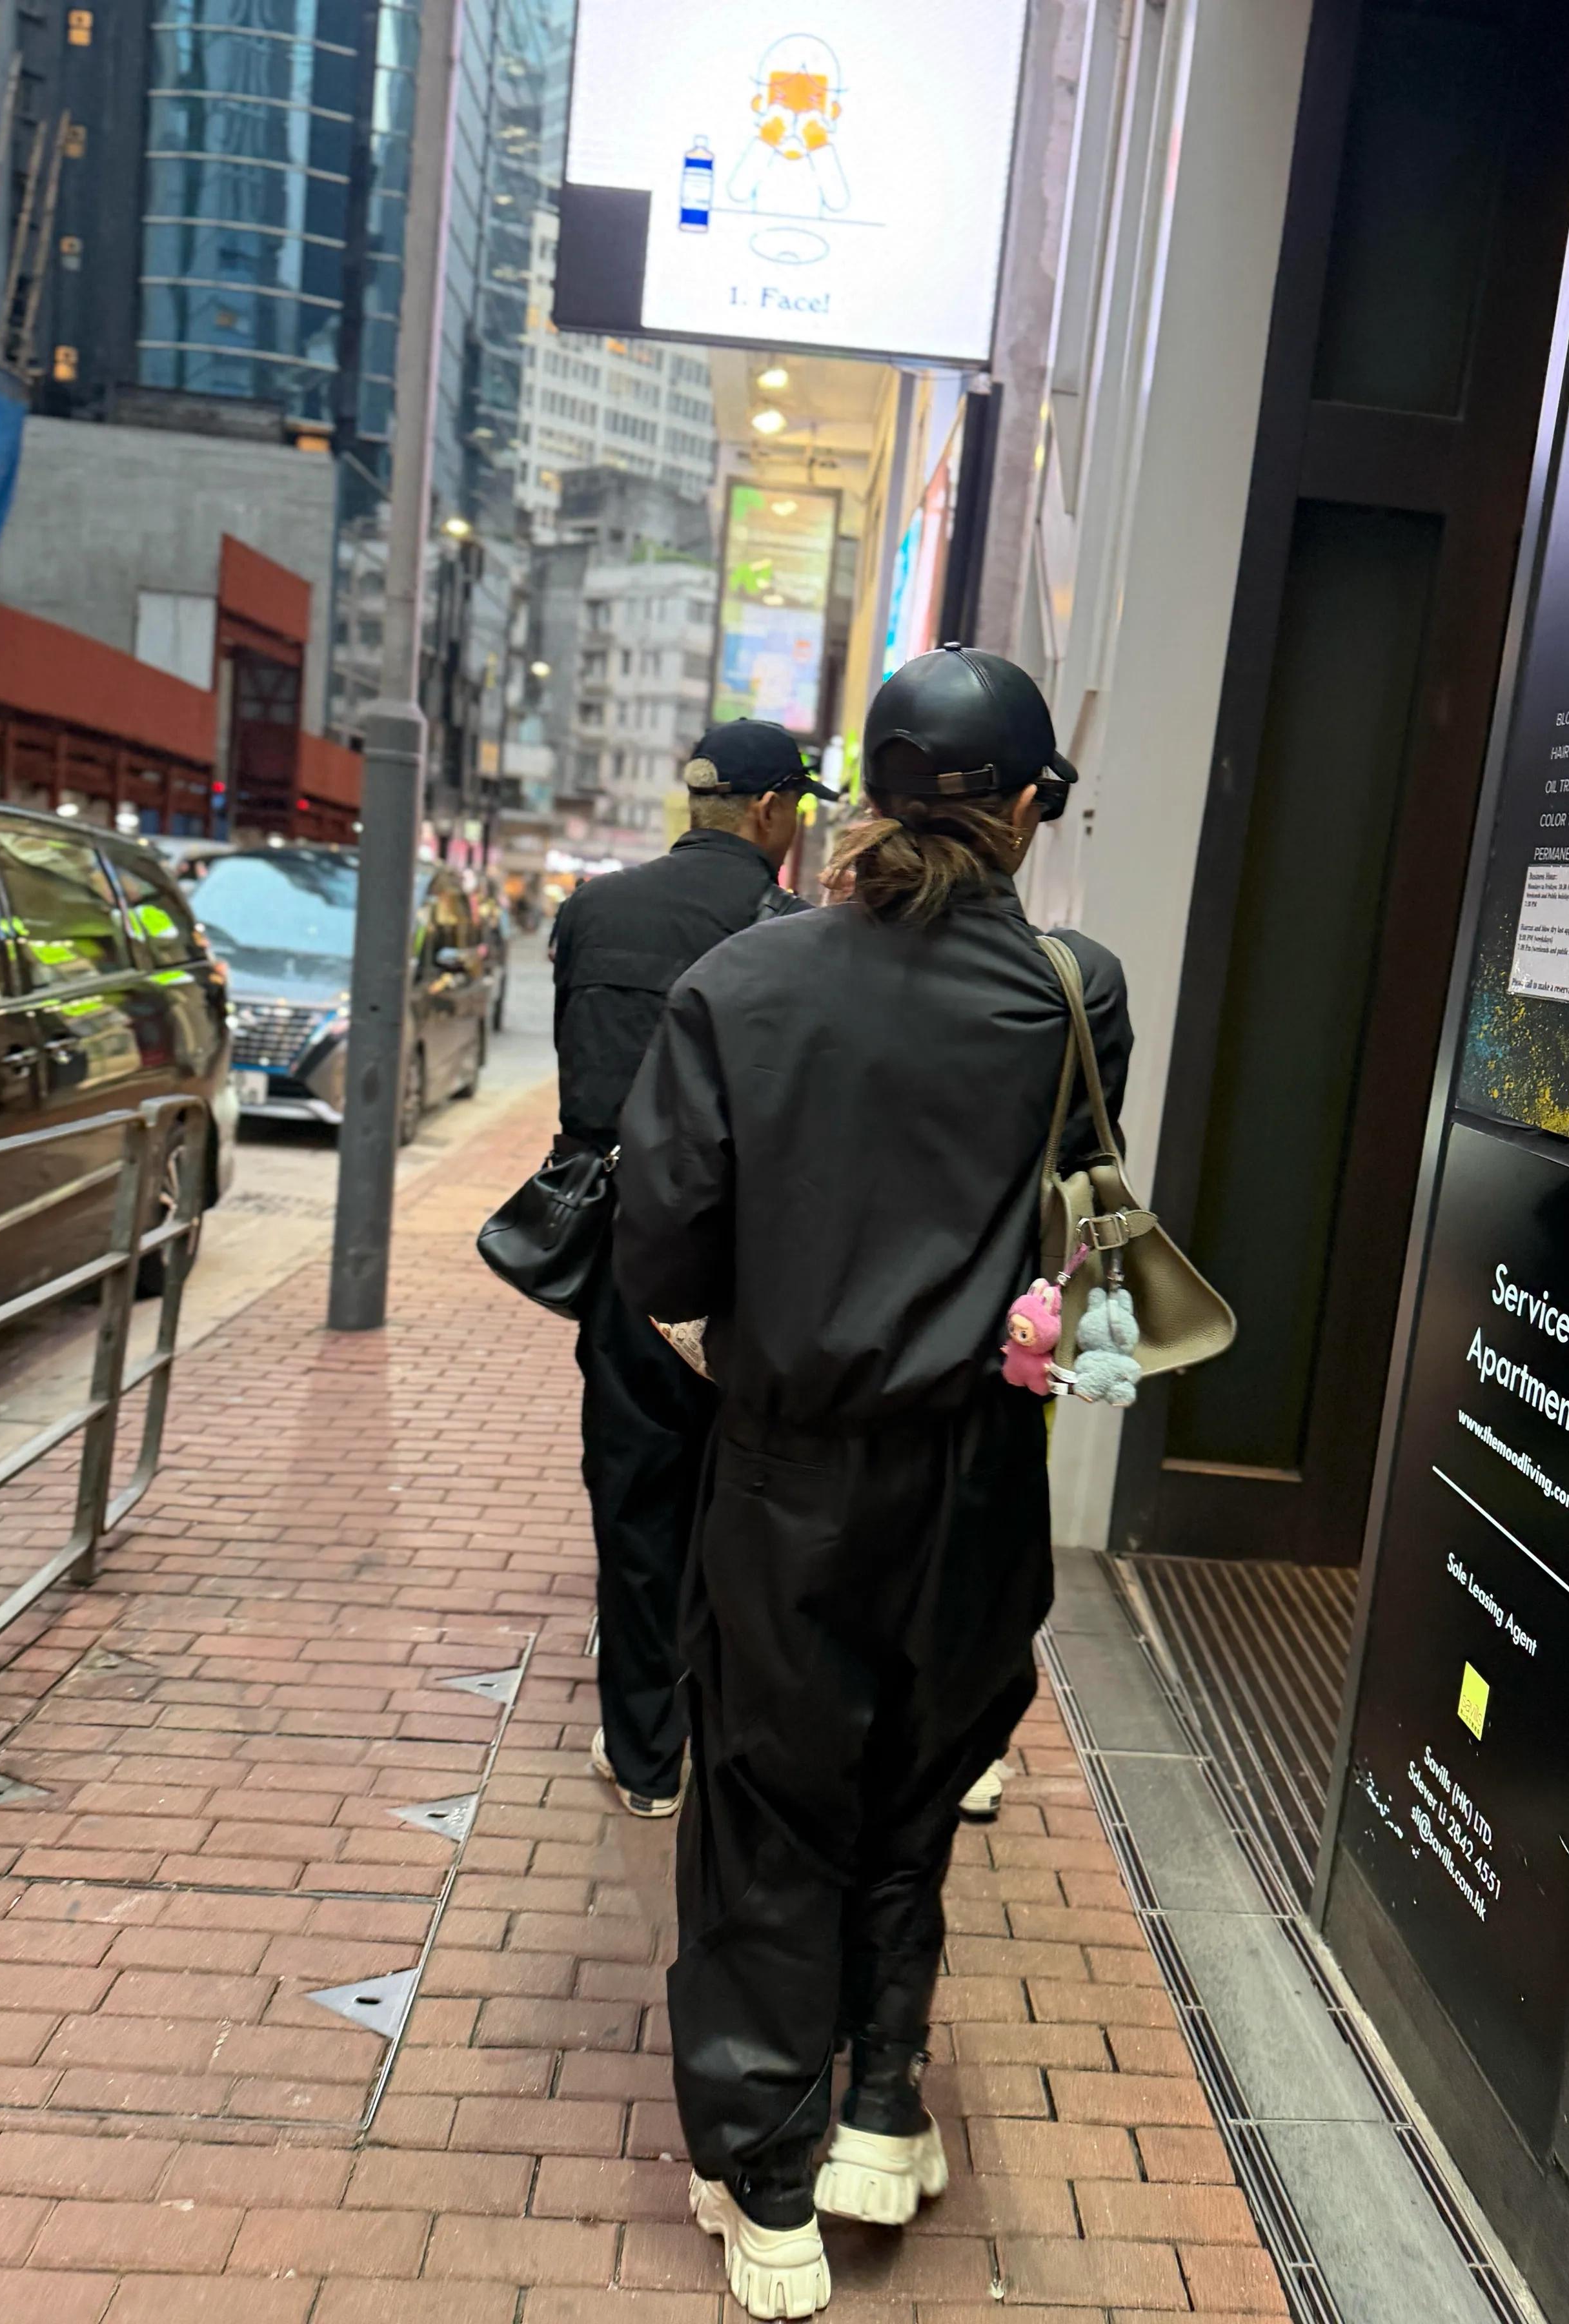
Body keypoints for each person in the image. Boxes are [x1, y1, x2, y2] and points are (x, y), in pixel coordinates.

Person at [613, 646, 1133, 2319]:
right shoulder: (1073, 992)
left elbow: (661, 1253)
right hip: (978, 1476)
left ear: (864, 796)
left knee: (769, 1811)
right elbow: (1074, 1229)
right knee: (920, 1789)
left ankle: (769, 2195)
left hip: (789, 1470)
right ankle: (883, 2107)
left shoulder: (744, 985)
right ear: (1030, 805)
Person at [553, 719, 836, 1817]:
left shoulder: (592, 911)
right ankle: (728, 1730)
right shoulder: (798, 936)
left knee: (635, 1495)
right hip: (751, 1268)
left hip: (624, 1253)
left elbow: (583, 1083)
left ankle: (642, 1756)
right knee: (746, 1498)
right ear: (771, 810)